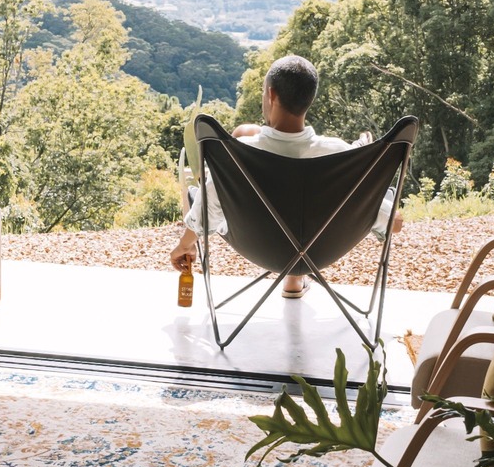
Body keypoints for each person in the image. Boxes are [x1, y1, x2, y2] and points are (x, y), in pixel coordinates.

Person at [169, 55, 403, 298]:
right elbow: (393, 224)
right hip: (321, 252)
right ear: (310, 99)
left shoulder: (238, 154)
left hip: (260, 247)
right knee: (302, 209)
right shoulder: (341, 155)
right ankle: (295, 279)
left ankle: (293, 277)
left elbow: (207, 213)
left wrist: (185, 246)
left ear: (271, 95)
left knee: (198, 195)